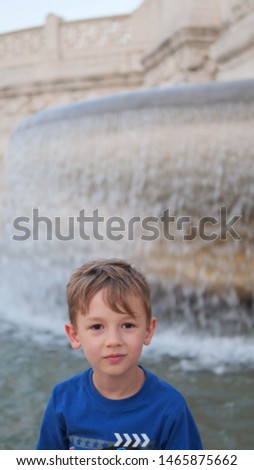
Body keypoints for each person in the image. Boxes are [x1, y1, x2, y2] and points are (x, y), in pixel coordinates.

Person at [36, 259, 202, 450]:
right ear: (74, 335)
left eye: (127, 325)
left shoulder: (170, 408)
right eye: (97, 327)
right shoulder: (63, 400)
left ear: (148, 331)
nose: (113, 340)